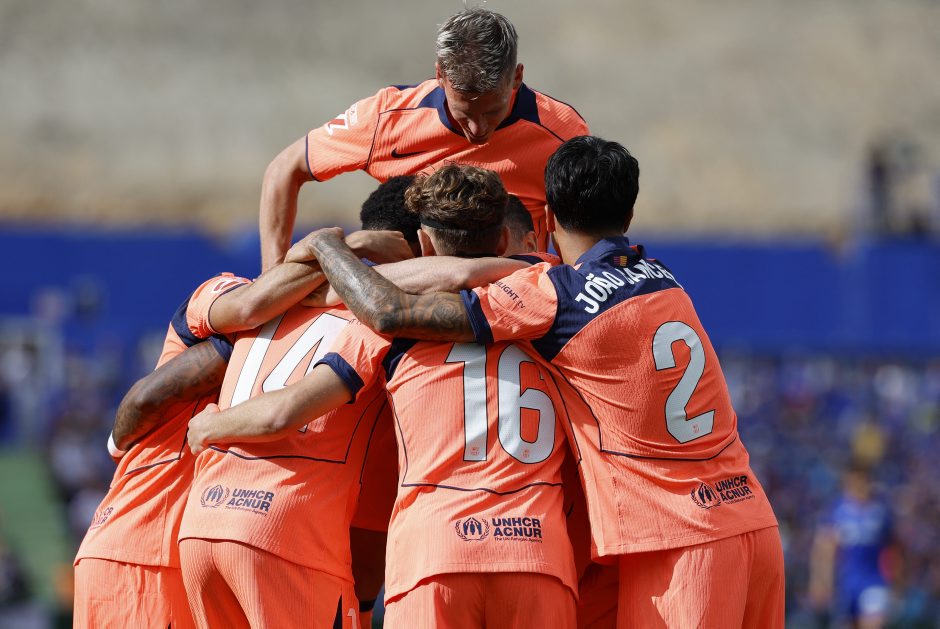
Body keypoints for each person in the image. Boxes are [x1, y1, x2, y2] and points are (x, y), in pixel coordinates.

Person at [302, 136, 786, 628]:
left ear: (549, 216)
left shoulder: (557, 298)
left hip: (680, 542)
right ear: (629, 215)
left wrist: (328, 246)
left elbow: (389, 311)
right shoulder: (663, 276)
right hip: (753, 523)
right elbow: (482, 269)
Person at [189, 164, 580, 628]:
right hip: (533, 551)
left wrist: (209, 425)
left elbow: (278, 405)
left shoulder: (356, 318)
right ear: (505, 240)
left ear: (425, 244)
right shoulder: (554, 293)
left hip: (423, 555)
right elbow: (468, 273)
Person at [72, 255, 335, 628]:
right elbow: (144, 397)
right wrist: (116, 442)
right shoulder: (224, 304)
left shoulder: (283, 335)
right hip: (146, 551)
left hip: (158, 550)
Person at [259, 7, 588, 269]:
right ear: (440, 75)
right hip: (406, 306)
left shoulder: (562, 133)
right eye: (464, 114)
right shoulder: (386, 118)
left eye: (492, 112)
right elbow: (285, 168)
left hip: (516, 307)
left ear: (516, 77)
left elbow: (583, 231)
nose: (477, 129)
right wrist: (270, 279)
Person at [810, 463, 895, 629]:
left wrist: (896, 581)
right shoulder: (837, 511)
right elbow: (824, 548)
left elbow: (894, 547)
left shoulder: (880, 512)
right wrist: (821, 581)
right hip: (846, 583)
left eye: (862, 482)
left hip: (873, 581)